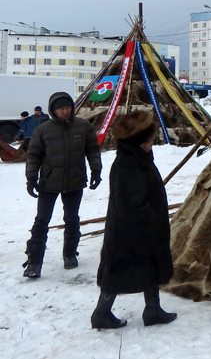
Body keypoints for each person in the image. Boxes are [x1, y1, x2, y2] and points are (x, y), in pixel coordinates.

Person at [91, 111, 176, 329]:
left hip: (143, 228)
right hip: (129, 231)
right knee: (118, 272)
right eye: (149, 138)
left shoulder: (139, 157)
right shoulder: (127, 163)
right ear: (139, 140)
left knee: (150, 265)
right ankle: (101, 313)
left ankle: (153, 310)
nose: (152, 142)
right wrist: (152, 221)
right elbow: (130, 202)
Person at [24, 92, 101, 278]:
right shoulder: (43, 129)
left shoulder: (83, 127)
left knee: (72, 218)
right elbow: (34, 155)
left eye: (68, 108)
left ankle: (69, 254)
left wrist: (96, 171)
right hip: (49, 182)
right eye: (61, 109)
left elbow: (93, 150)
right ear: (53, 110)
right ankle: (34, 262)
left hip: (75, 180)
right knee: (42, 220)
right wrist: (31, 178)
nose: (65, 112)